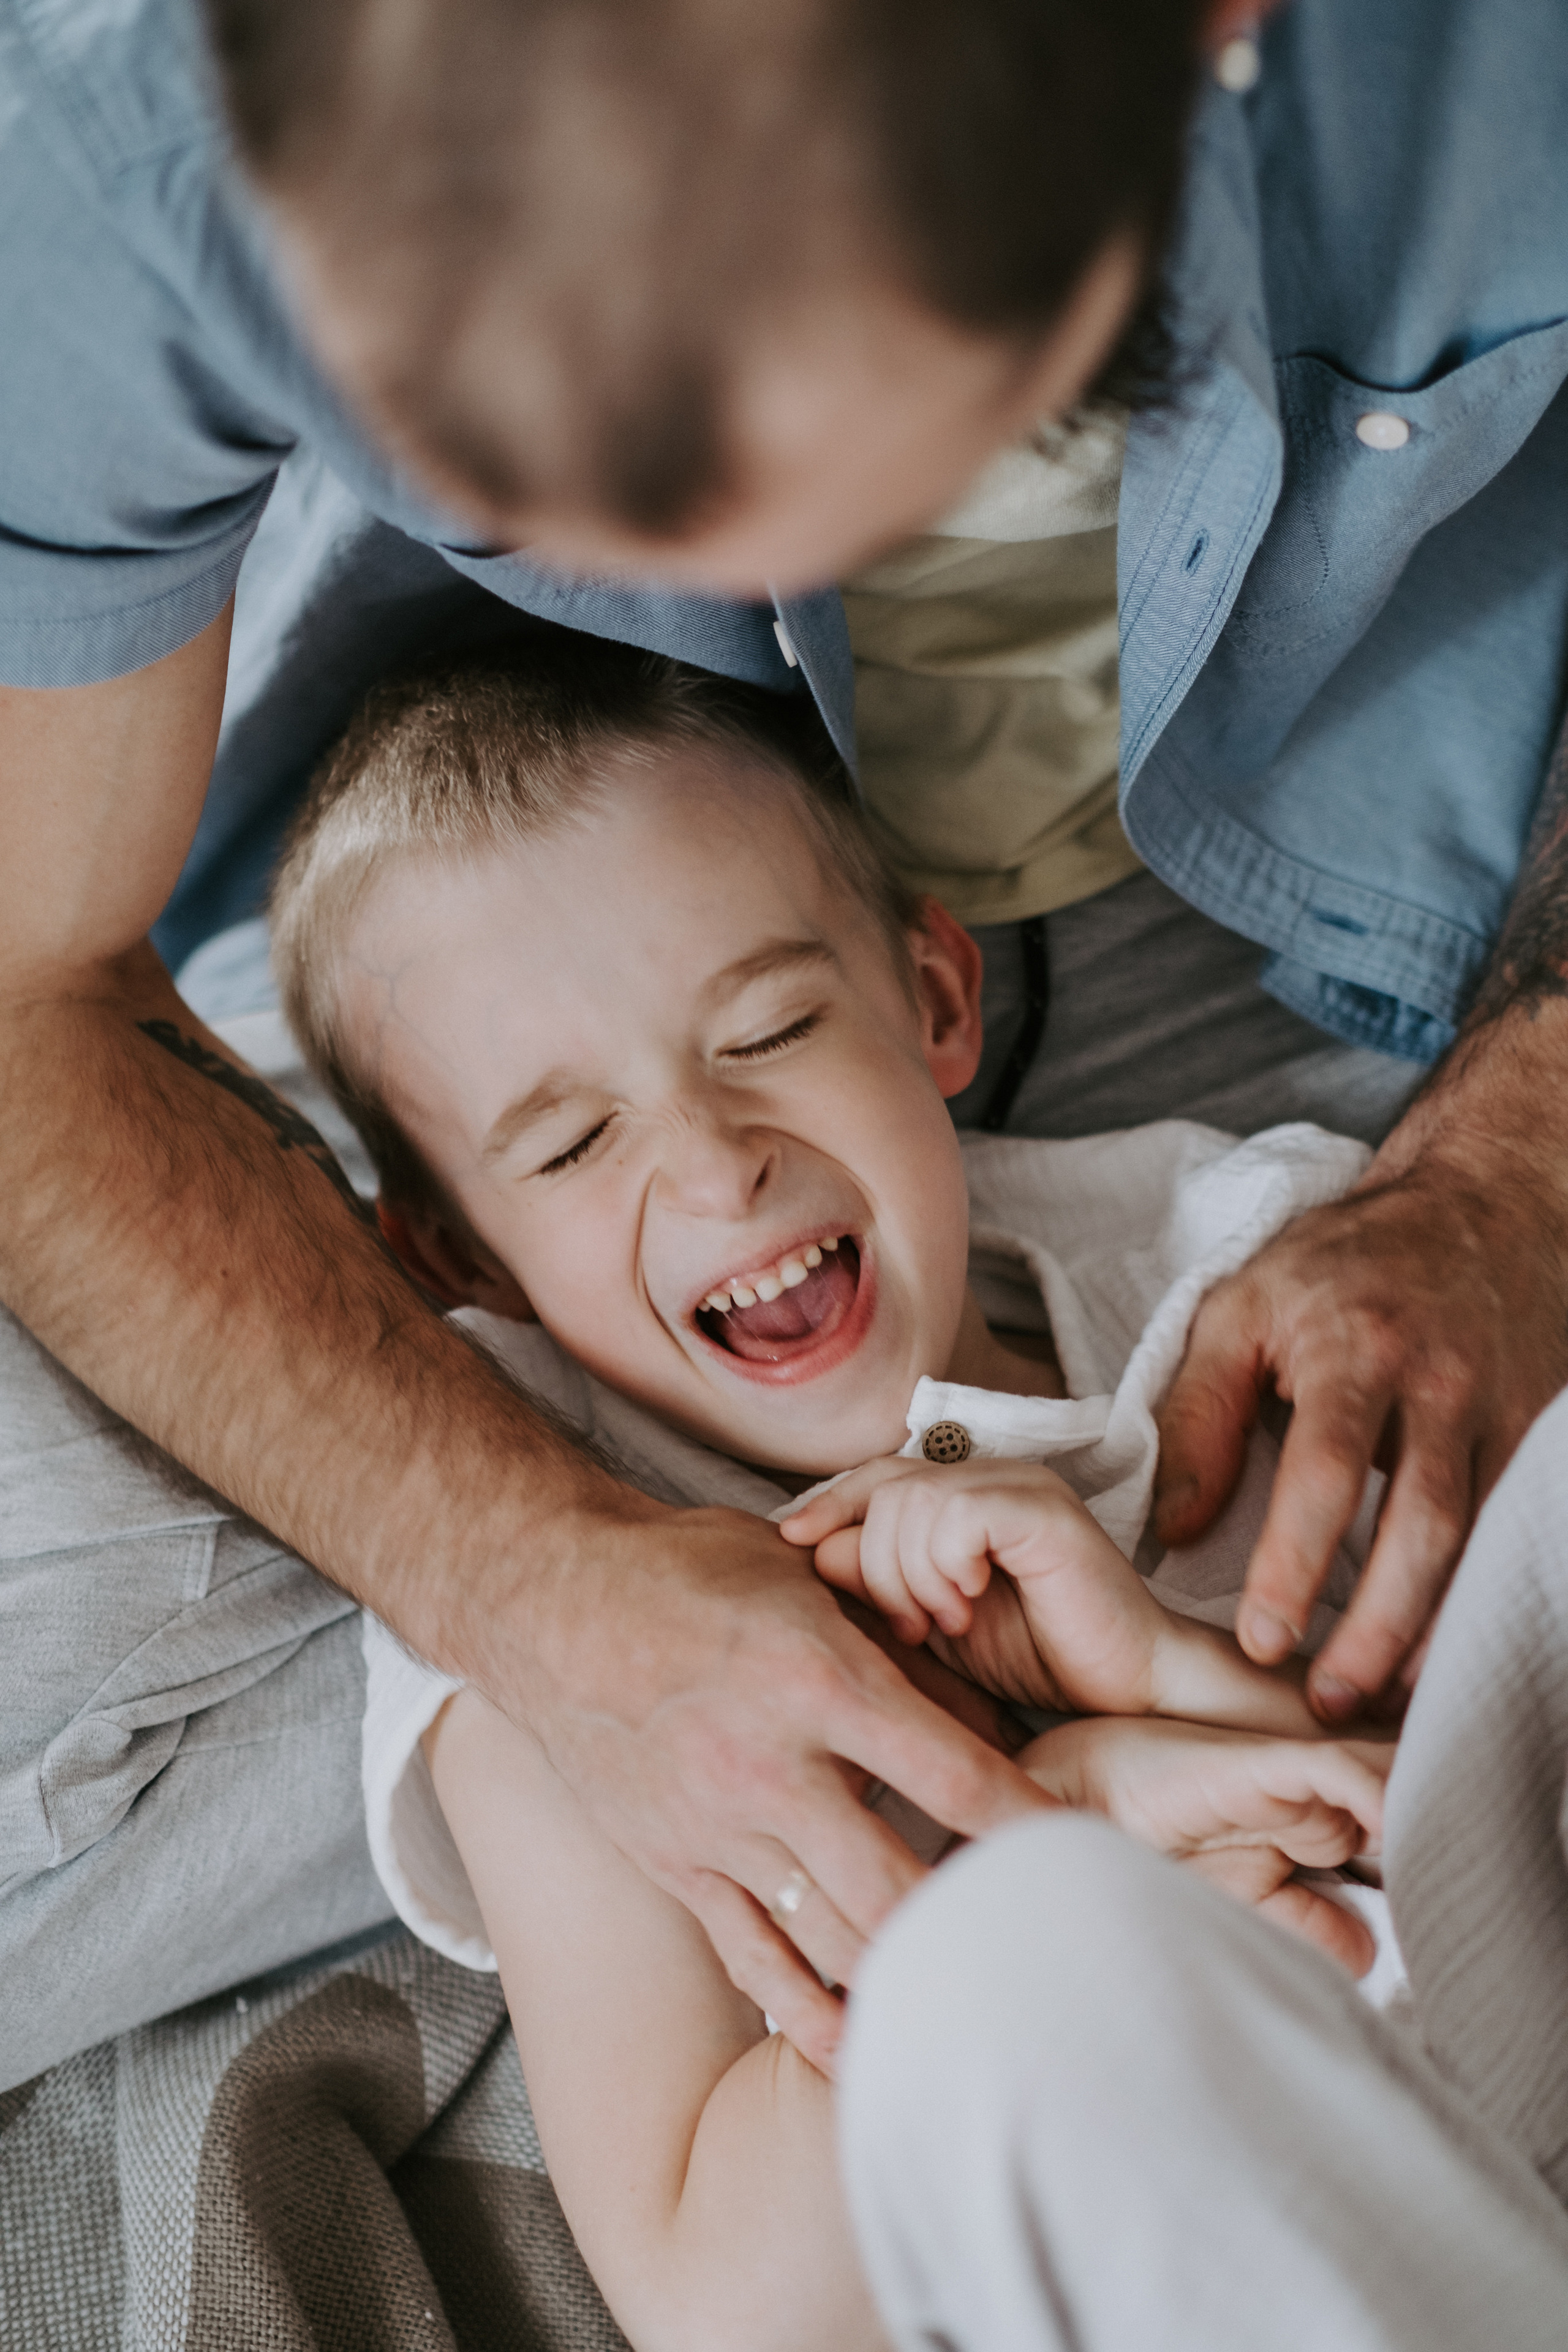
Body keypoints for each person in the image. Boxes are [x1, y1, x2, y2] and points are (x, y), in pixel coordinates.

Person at [4, 0, 1568, 2079]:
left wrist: (1521, 1150)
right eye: (534, 480)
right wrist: (522, 1584)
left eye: (831, 457)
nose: (735, 587)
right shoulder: (123, 116)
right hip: (478, 922)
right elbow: (26, 991)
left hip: (1370, 798)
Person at [259, 636, 1389, 2350]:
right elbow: (723, 2302)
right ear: (453, 1252)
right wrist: (1060, 1843)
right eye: (568, 1146)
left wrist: (1188, 1693)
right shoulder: (556, 1642)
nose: (716, 1160)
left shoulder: (1247, 1262)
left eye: (771, 1029)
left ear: (938, 1001)